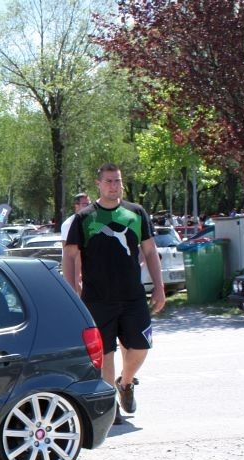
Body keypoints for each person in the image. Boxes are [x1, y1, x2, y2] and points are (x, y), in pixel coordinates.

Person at [63, 163, 165, 425]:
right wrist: (72, 291)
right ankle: (111, 406)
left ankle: (126, 383)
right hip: (97, 298)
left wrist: (159, 287)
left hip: (133, 295)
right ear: (98, 184)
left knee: (141, 346)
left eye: (117, 181)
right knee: (106, 353)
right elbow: (70, 256)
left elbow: (150, 250)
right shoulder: (85, 218)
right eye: (108, 181)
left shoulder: (136, 213)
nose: (114, 186)